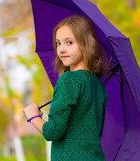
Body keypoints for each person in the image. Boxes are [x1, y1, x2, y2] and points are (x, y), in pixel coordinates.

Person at [23, 15, 108, 161]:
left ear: (86, 44)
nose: (62, 49)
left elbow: (53, 132)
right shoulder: (97, 85)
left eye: (69, 42)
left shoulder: (69, 80)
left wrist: (33, 116)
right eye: (58, 43)